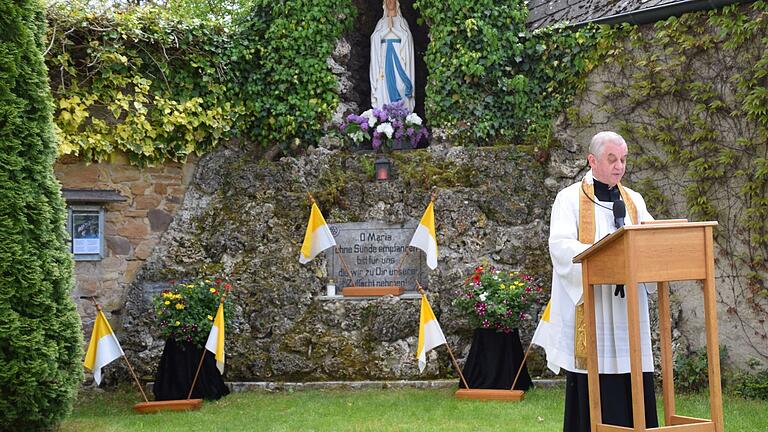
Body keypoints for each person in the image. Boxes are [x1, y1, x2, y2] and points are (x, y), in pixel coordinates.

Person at [546, 131, 659, 431]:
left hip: (627, 309)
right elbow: (560, 245)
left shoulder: (633, 199)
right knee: (595, 376)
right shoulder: (569, 199)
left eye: (623, 159)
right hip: (595, 304)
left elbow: (648, 238)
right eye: (612, 159)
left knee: (632, 369)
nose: (619, 166)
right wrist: (603, 257)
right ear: (592, 160)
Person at [369, 0, 415, 112]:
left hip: (400, 57)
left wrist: (393, 30)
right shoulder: (381, 22)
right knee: (382, 85)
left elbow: (407, 38)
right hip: (384, 58)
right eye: (387, 0)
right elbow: (374, 39)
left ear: (397, 3)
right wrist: (386, 31)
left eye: (392, 0)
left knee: (401, 84)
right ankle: (383, 115)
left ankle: (402, 114)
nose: (390, 2)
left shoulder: (402, 22)